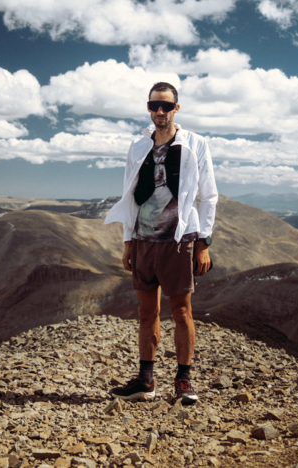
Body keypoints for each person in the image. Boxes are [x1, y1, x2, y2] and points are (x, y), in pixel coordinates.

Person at [104, 82, 217, 405]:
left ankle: (183, 380)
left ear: (176, 108)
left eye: (166, 106)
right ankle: (146, 380)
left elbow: (209, 195)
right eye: (155, 105)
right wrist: (128, 241)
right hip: (143, 239)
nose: (160, 111)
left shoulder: (194, 144)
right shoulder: (138, 146)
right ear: (149, 108)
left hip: (178, 240)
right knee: (146, 312)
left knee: (181, 311)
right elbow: (129, 193)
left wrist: (204, 242)